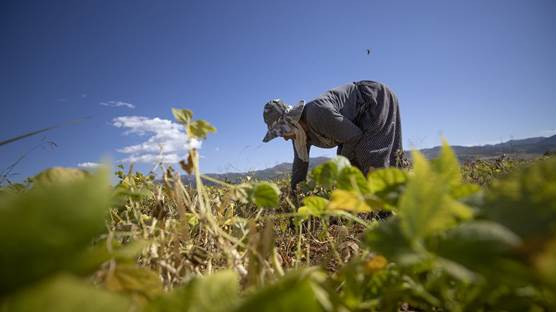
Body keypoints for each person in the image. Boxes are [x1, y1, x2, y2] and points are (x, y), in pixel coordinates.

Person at [262, 80, 403, 193]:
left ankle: (389, 212)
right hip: (355, 123)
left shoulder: (317, 113)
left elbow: (353, 136)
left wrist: (338, 170)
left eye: (282, 132)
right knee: (354, 171)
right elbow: (300, 168)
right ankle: (368, 209)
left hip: (373, 100)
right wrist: (295, 196)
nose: (285, 138)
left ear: (291, 122)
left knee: (369, 155)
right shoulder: (298, 136)